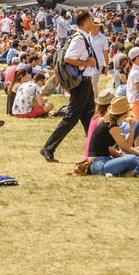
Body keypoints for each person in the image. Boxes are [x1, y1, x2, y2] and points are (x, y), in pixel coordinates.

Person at [39, 9, 99, 163]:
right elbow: (68, 58)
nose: (93, 22)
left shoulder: (83, 37)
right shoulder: (79, 39)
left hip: (84, 82)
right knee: (72, 118)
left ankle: (96, 150)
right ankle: (48, 148)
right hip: (80, 84)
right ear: (85, 22)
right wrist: (87, 63)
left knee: (88, 118)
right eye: (91, 20)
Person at [74, 95, 139, 177]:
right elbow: (126, 148)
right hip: (99, 163)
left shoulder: (110, 123)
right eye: (129, 110)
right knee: (137, 159)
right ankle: (131, 173)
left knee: (136, 159)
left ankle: (127, 172)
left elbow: (122, 147)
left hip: (101, 161)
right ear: (125, 112)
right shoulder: (112, 125)